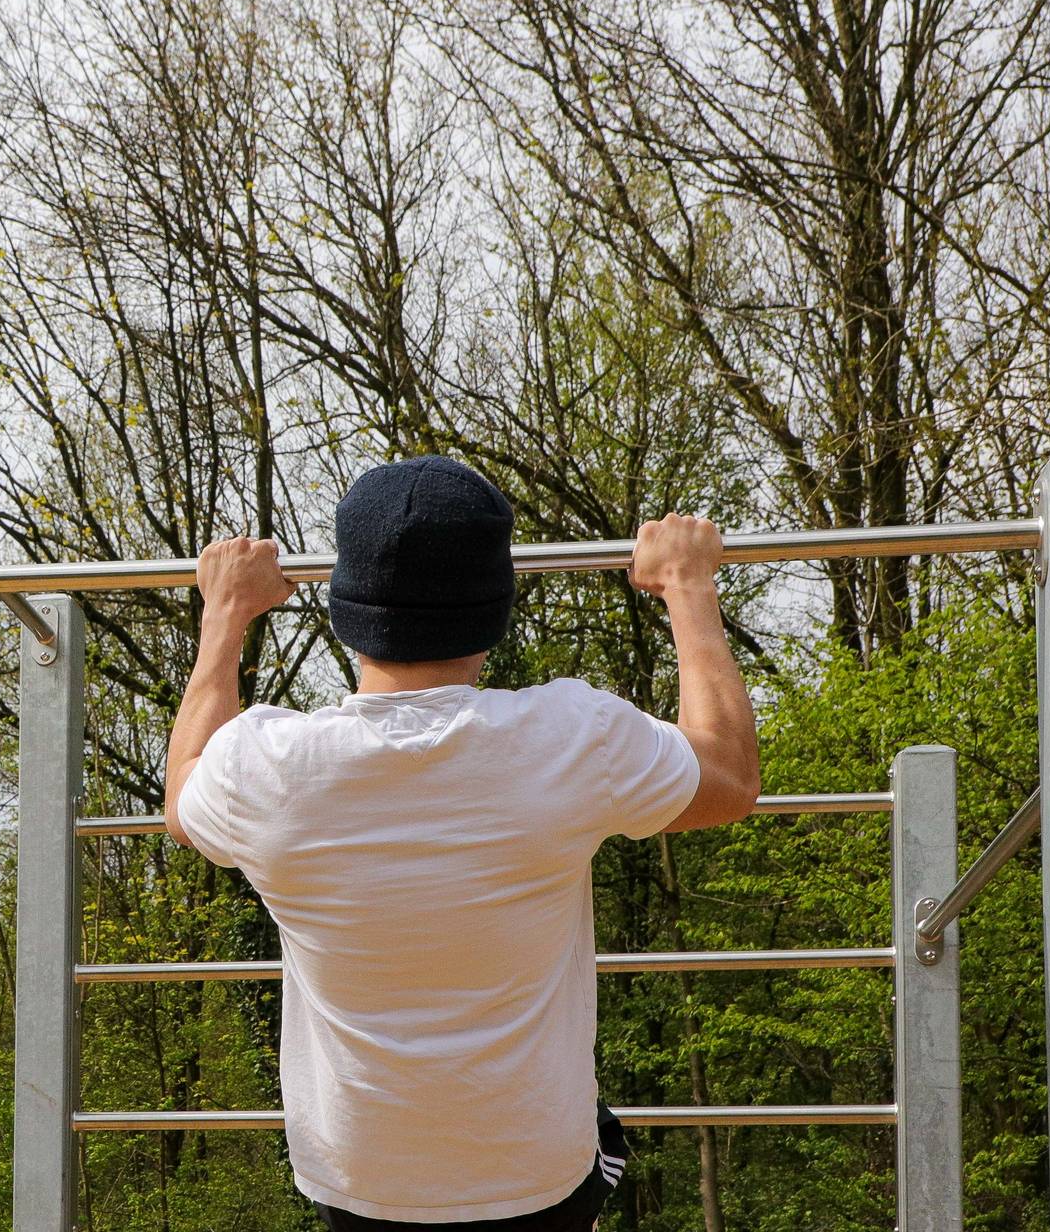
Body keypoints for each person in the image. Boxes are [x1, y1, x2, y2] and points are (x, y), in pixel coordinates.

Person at [164, 456, 760, 1230]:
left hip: (357, 1181)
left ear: (345, 604)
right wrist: (688, 585)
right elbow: (728, 778)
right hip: (537, 1177)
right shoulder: (570, 736)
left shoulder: (263, 765)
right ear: (493, 610)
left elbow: (182, 795)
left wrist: (225, 616)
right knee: (597, 1139)